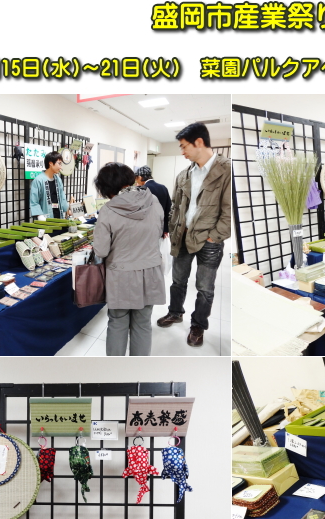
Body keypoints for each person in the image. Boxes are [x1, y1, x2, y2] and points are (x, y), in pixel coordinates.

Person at [157, 123, 231, 347]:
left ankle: (198, 325)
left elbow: (229, 210)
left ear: (199, 142)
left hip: (209, 240)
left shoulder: (226, 170)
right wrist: (173, 228)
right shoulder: (184, 175)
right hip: (182, 236)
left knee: (205, 288)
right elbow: (175, 206)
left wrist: (214, 236)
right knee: (178, 281)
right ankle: (175, 312)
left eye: (183, 146)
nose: (182, 151)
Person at [92, 162, 165, 357]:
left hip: (121, 276)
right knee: (143, 324)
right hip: (150, 272)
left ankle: (116, 371)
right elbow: (158, 232)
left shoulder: (108, 210)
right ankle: (137, 370)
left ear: (107, 188)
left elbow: (101, 250)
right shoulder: (153, 200)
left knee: (117, 323)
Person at [29, 151, 71, 220]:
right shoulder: (38, 180)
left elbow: (62, 197)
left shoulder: (58, 180)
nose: (60, 167)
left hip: (58, 217)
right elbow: (34, 201)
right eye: (59, 163)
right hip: (45, 219)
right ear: (50, 163)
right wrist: (40, 216)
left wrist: (68, 209)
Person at [135, 165, 172, 234]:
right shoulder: (163, 187)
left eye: (136, 178)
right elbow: (168, 209)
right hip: (161, 228)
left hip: (146, 229)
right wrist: (166, 229)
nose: (136, 181)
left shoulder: (142, 189)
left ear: (140, 177)